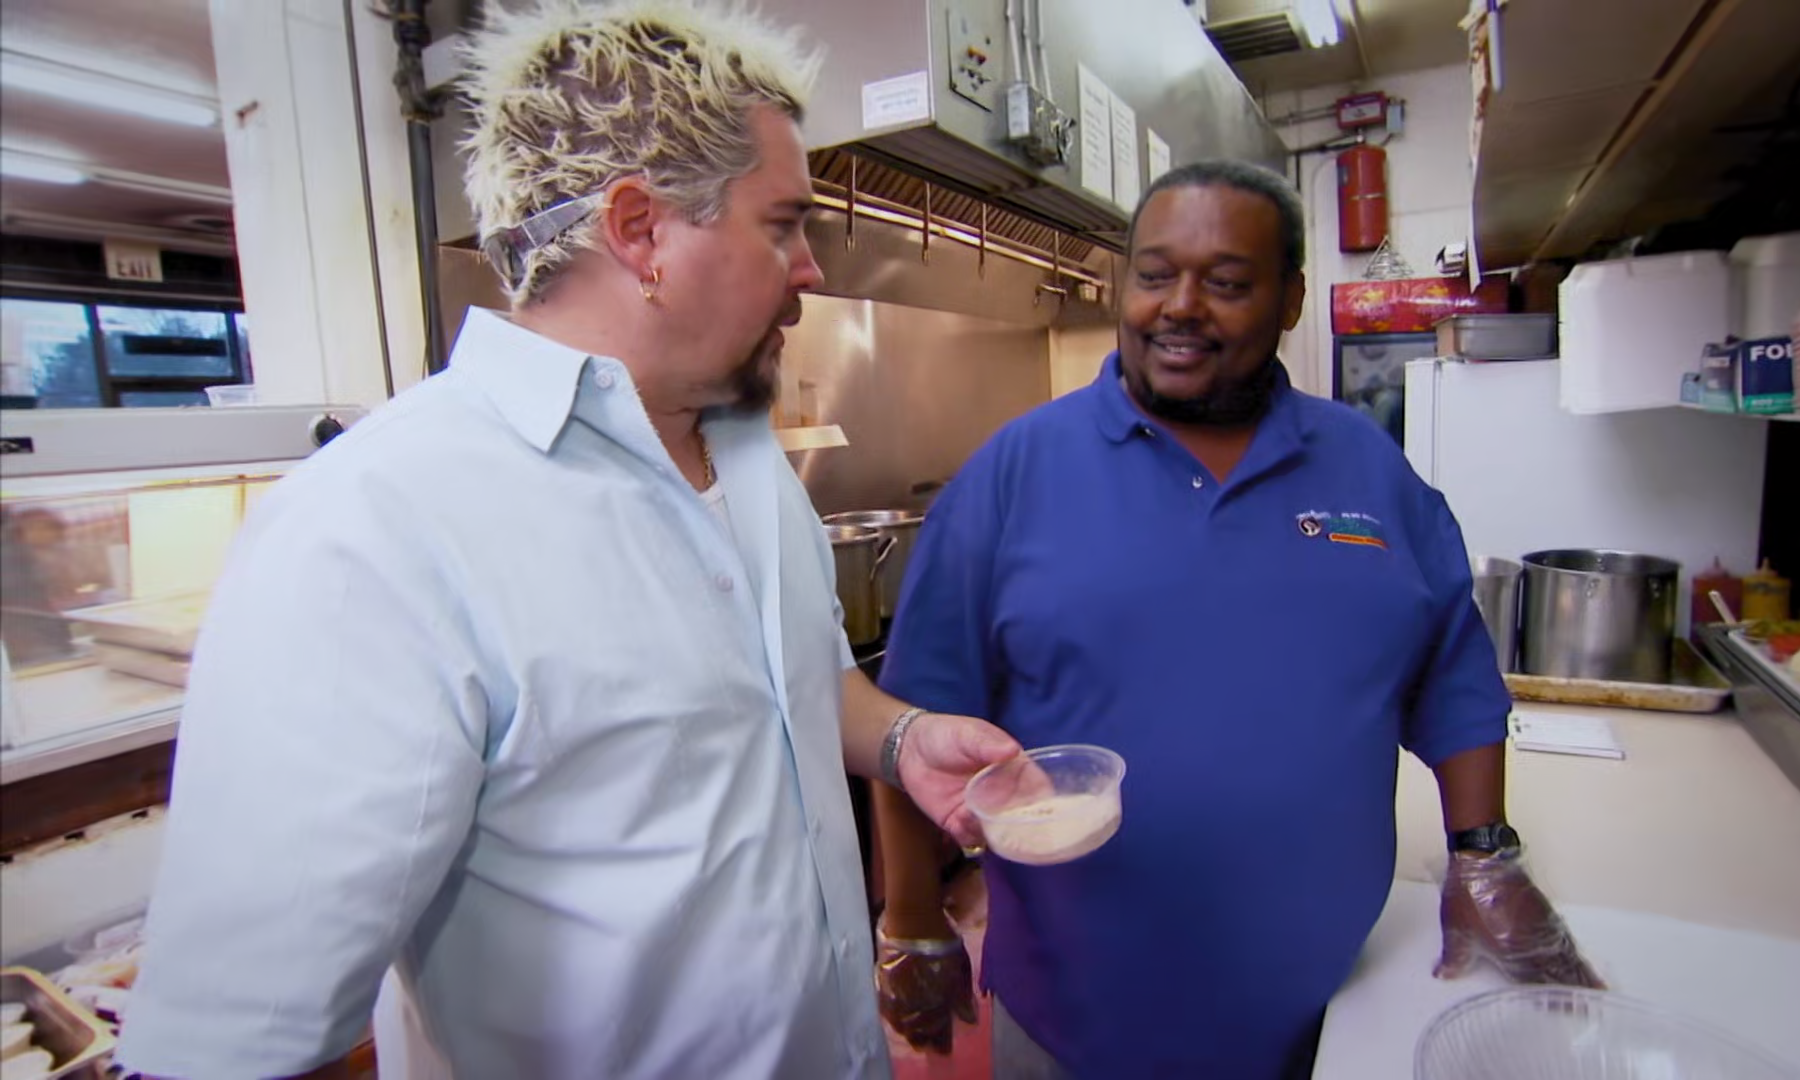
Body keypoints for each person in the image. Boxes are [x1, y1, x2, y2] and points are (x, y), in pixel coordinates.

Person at [117, 3, 1019, 1078]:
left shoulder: (746, 454)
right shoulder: (374, 528)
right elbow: (237, 1043)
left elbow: (800, 682)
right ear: (639, 231)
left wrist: (904, 740)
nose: (811, 270)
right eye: (782, 225)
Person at [873, 159, 1600, 1078]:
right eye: (1154, 275)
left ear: (1291, 298)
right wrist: (913, 922)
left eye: (1225, 283)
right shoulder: (1013, 475)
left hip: (1328, 1012)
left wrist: (1482, 855)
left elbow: (1453, 674)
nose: (1180, 307)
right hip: (1078, 1025)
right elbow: (913, 721)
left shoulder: (1366, 470)